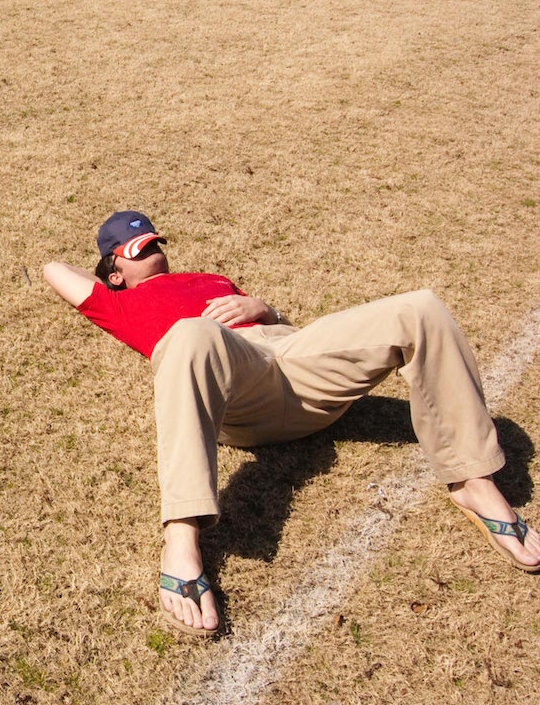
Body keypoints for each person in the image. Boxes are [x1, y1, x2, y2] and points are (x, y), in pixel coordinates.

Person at [43, 211, 540, 636]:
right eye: (138, 248)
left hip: (293, 359)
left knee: (420, 307)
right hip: (240, 386)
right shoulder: (118, 303)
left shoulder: (212, 279)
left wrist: (266, 308)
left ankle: (474, 478)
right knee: (190, 333)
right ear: (113, 270)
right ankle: (182, 535)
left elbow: (294, 332)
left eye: (154, 241)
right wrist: (108, 272)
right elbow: (54, 269)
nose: (152, 250)